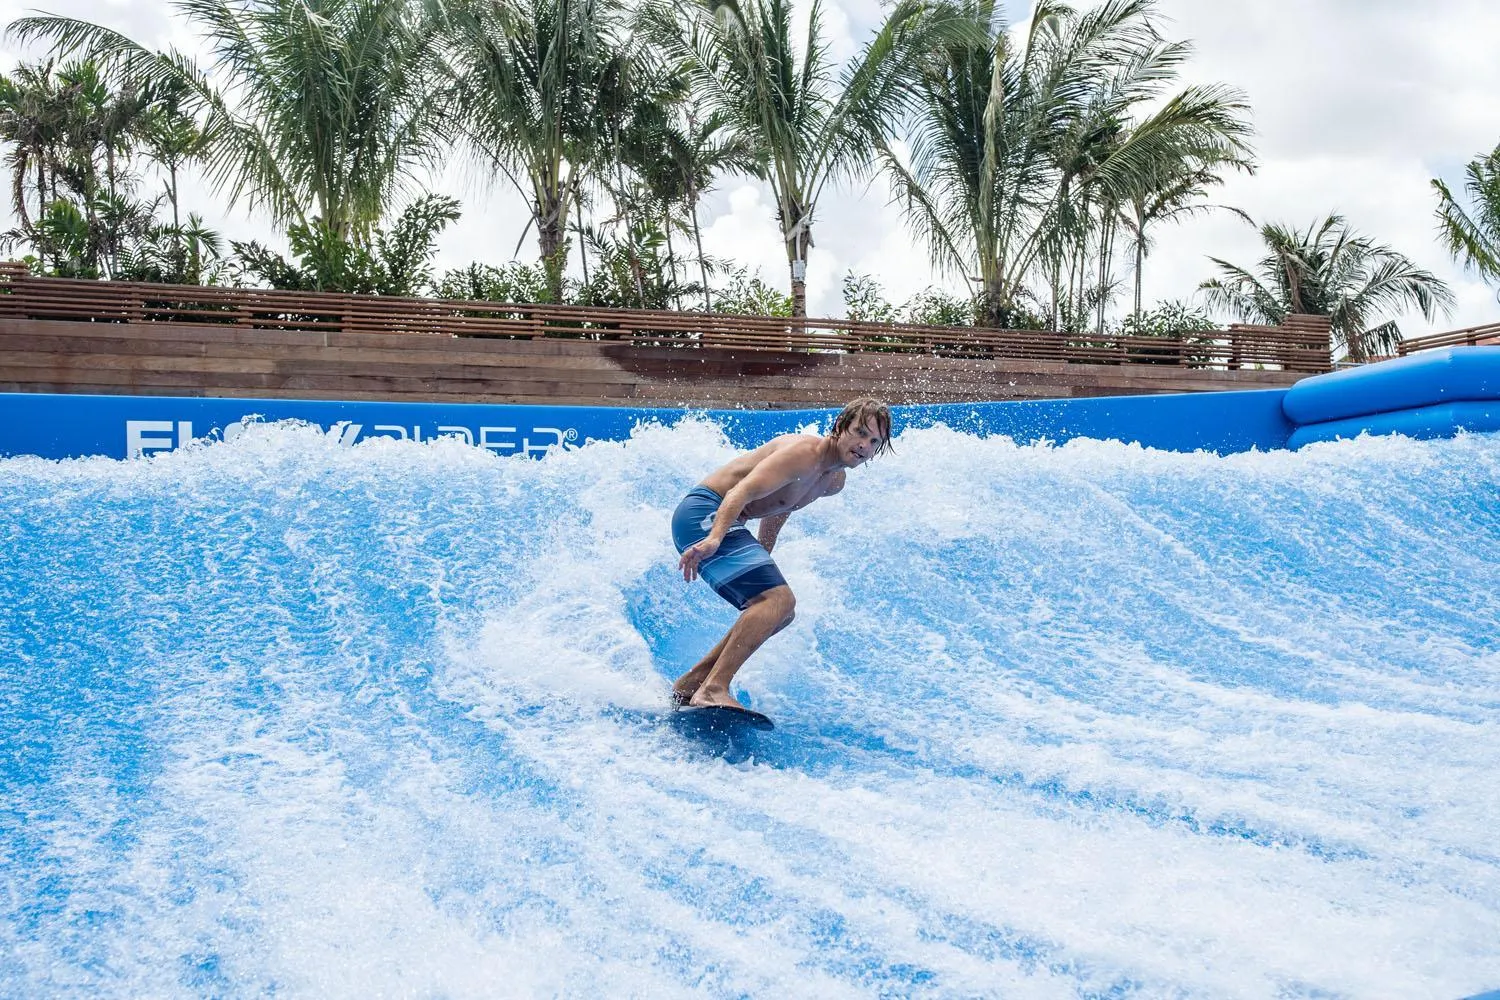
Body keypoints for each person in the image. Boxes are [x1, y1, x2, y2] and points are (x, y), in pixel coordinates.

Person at [670, 397, 893, 711]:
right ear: (840, 426)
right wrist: (715, 539)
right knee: (777, 600)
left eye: (874, 441)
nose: (864, 445)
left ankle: (692, 683)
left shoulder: (833, 481)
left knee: (781, 612)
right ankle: (713, 688)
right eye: (859, 433)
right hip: (705, 513)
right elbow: (741, 492)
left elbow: (781, 505)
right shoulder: (803, 454)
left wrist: (764, 551)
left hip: (727, 520)